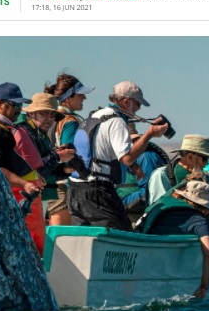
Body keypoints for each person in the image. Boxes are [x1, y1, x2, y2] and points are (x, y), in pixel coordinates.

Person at [68, 80, 168, 230]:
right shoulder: (116, 121)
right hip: (97, 191)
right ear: (126, 102)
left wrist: (133, 166)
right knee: (122, 238)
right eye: (137, 105)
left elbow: (101, 149)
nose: (137, 110)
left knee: (85, 240)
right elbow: (126, 157)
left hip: (75, 191)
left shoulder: (96, 116)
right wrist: (149, 134)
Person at [139, 180, 209, 298]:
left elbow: (177, 225)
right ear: (205, 206)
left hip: (141, 256)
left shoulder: (164, 203)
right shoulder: (199, 221)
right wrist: (204, 286)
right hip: (158, 265)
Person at [11, 93, 76, 256]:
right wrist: (57, 157)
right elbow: (32, 171)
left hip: (31, 197)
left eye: (52, 114)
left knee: (37, 244)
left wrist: (65, 170)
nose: (49, 118)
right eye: (44, 113)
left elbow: (41, 171)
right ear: (31, 113)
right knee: (35, 245)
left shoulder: (37, 134)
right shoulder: (23, 133)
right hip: (23, 196)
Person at [0, 82, 44, 231]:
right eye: (15, 105)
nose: (19, 110)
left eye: (20, 106)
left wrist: (33, 176)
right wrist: (24, 184)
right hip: (10, 198)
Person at [45, 73, 95, 225]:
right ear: (68, 98)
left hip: (50, 182)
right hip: (63, 186)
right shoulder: (70, 121)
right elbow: (69, 155)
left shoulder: (49, 118)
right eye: (80, 95)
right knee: (61, 238)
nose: (84, 98)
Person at [117, 127, 170, 228]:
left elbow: (149, 192)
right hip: (126, 212)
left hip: (136, 216)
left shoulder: (146, 158)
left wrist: (120, 203)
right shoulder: (131, 158)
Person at [146, 134, 209, 205]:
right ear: (190, 157)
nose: (207, 163)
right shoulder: (161, 175)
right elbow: (158, 208)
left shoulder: (201, 178)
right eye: (205, 159)